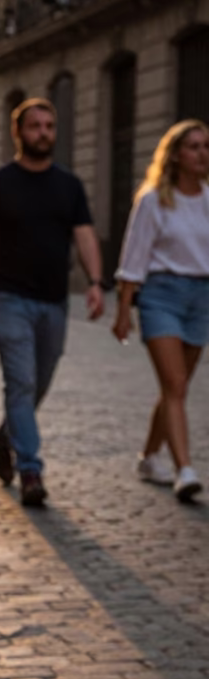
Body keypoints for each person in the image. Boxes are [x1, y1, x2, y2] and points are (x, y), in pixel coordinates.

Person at [0, 97, 105, 507]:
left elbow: (86, 235)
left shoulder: (69, 186)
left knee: (39, 383)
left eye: (49, 126)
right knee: (20, 382)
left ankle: (4, 436)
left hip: (55, 301)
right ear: (18, 134)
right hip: (9, 298)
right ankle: (30, 469)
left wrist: (95, 282)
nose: (43, 133)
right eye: (35, 126)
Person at [113, 119, 209, 502]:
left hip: (201, 297)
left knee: (175, 386)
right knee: (176, 385)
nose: (202, 153)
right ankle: (184, 469)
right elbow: (133, 258)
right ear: (175, 156)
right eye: (193, 147)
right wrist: (123, 310)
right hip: (161, 295)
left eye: (205, 146)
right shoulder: (154, 200)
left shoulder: (208, 199)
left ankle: (150, 456)